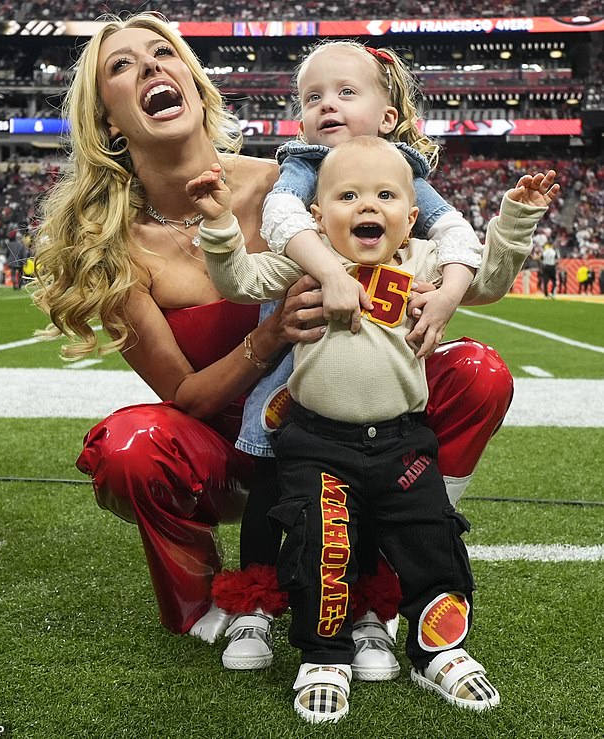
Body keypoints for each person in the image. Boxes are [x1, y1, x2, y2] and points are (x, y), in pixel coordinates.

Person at [31, 13, 516, 671]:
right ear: (110, 119)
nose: (149, 68)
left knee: (481, 371)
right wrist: (268, 336)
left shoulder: (304, 177)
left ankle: (393, 567)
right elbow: (181, 395)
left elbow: (417, 234)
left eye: (162, 53)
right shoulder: (112, 249)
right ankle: (216, 601)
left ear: (195, 86)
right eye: (121, 65)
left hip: (339, 430)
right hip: (230, 457)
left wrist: (440, 288)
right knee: (129, 449)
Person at [188, 136, 559, 721]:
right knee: (319, 547)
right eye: (348, 195)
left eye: (385, 195)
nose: (368, 206)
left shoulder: (426, 263)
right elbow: (237, 279)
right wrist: (218, 224)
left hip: (401, 439)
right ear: (316, 216)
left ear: (411, 217)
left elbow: (487, 282)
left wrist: (514, 220)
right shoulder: (304, 262)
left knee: (432, 540)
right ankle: (325, 654)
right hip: (316, 442)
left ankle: (438, 648)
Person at [208, 39, 503, 678]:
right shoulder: (307, 166)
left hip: (375, 354)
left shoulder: (405, 175)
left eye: (346, 92)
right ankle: (258, 597)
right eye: (313, 97)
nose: (327, 106)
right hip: (299, 343)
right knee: (270, 466)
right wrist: (330, 275)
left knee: (369, 492)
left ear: (389, 114)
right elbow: (284, 215)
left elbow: (455, 234)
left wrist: (448, 293)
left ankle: (367, 606)